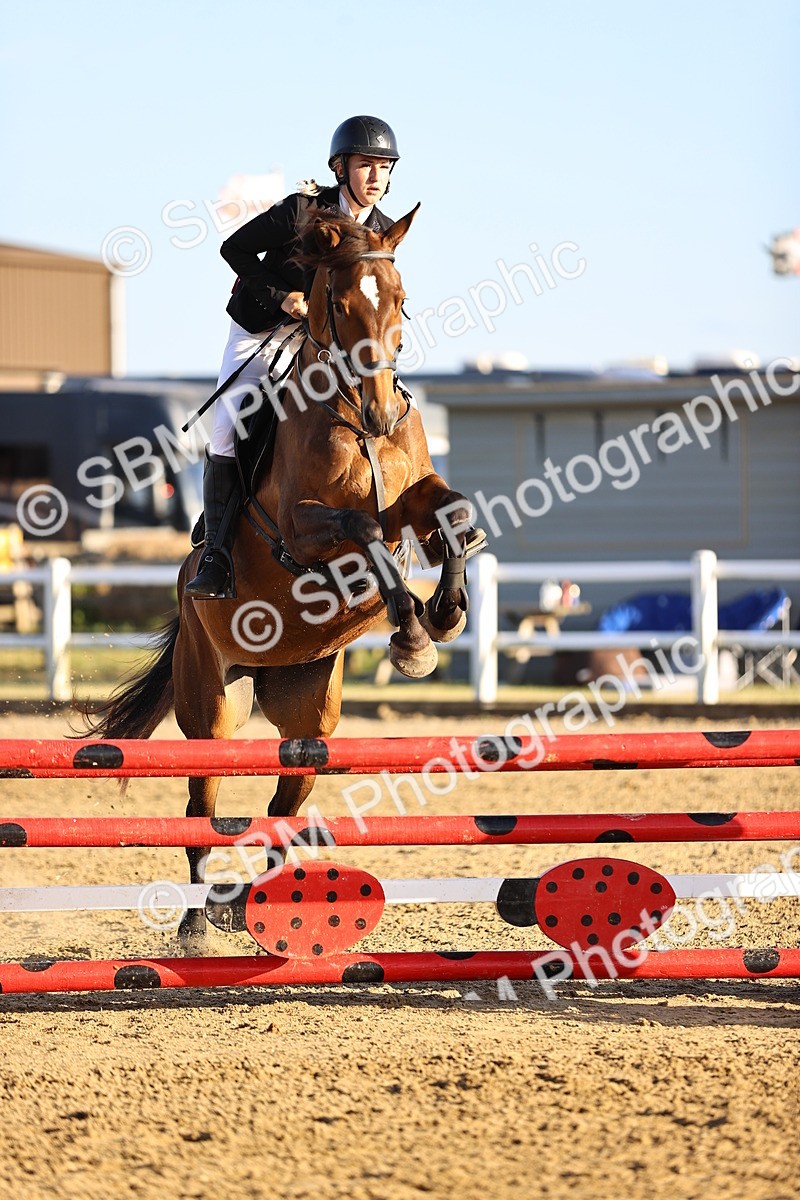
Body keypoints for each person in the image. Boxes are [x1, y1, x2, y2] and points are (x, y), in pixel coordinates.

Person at [185, 115, 400, 599]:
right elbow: (234, 249)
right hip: (261, 328)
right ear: (340, 169)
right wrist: (283, 297)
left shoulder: (383, 231)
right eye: (365, 165)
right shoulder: (302, 210)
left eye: (384, 167)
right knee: (227, 428)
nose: (375, 176)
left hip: (319, 341)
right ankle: (216, 556)